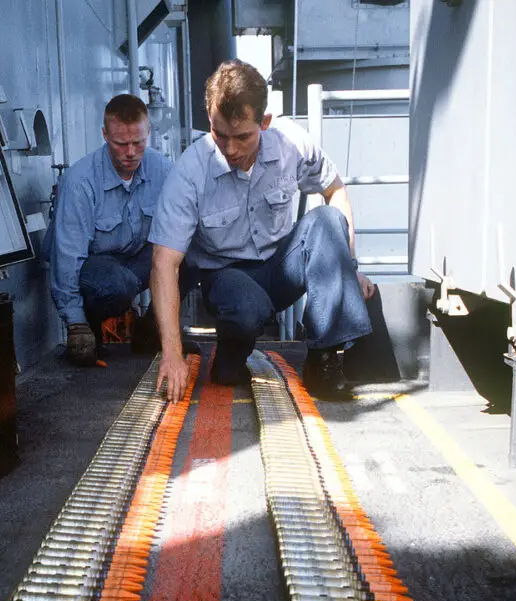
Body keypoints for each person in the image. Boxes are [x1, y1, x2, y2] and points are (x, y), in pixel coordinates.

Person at [148, 59, 376, 403]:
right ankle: (229, 359)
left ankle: (323, 360)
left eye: (242, 137)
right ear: (209, 119)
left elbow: (336, 190)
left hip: (282, 265)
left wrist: (349, 267)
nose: (230, 149)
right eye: (219, 134)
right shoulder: (189, 171)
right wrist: (172, 353)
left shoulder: (292, 144)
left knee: (327, 221)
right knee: (244, 313)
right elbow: (164, 263)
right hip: (227, 276)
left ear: (265, 122)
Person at [48, 93, 171, 366]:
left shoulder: (163, 170)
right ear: (105, 135)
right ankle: (90, 326)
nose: (130, 152)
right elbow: (67, 257)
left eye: (138, 142)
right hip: (95, 269)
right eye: (120, 143)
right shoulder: (80, 182)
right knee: (117, 284)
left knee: (192, 249)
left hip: (135, 260)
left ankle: (152, 329)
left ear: (148, 132)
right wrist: (75, 323)